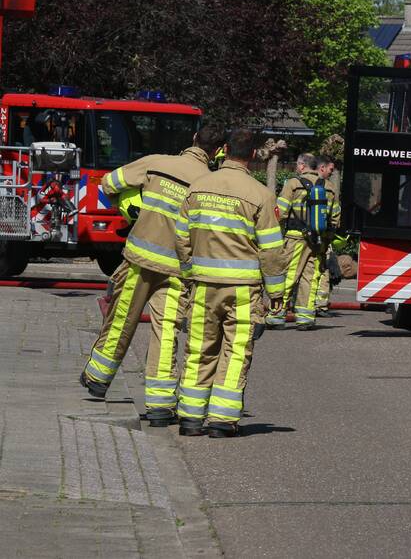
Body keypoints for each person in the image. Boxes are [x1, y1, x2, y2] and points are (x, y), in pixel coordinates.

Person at [80, 125, 225, 427]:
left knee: (121, 319)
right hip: (178, 269)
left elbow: (109, 184)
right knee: (166, 331)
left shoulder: (156, 163)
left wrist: (134, 207)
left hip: (139, 262)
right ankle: (159, 407)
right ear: (217, 151)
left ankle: (97, 379)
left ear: (193, 140)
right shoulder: (210, 183)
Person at [174, 128, 286, 437]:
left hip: (202, 286)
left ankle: (190, 419)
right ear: (252, 155)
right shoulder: (261, 195)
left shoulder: (197, 187)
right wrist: (276, 293)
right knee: (236, 352)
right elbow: (271, 250)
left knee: (198, 349)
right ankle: (222, 422)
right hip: (241, 289)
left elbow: (181, 237)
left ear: (224, 150)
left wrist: (188, 273)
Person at [267, 153, 339, 329]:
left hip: (295, 237)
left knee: (289, 275)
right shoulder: (329, 187)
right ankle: (305, 317)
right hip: (318, 241)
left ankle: (277, 315)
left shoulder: (293, 184)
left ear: (301, 166)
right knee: (311, 277)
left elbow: (281, 212)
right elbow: (335, 218)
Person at [314, 155, 341, 316]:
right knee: (322, 269)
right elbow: (335, 215)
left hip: (302, 236)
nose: (332, 172)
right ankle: (320, 305)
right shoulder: (329, 188)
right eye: (330, 169)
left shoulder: (301, 184)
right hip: (323, 237)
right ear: (322, 168)